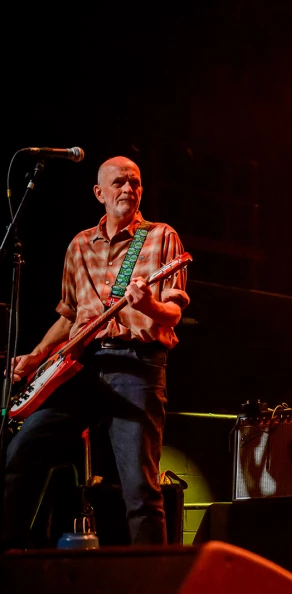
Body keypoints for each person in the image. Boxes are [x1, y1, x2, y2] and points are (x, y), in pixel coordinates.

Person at [1, 156, 189, 549]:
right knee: (21, 453)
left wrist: (147, 305)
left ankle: (153, 582)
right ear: (99, 193)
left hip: (137, 367)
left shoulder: (160, 237)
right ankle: (10, 560)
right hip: (80, 368)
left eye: (135, 182)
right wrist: (36, 357)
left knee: (140, 489)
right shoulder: (79, 244)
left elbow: (172, 313)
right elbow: (69, 317)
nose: (128, 189)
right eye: (119, 182)